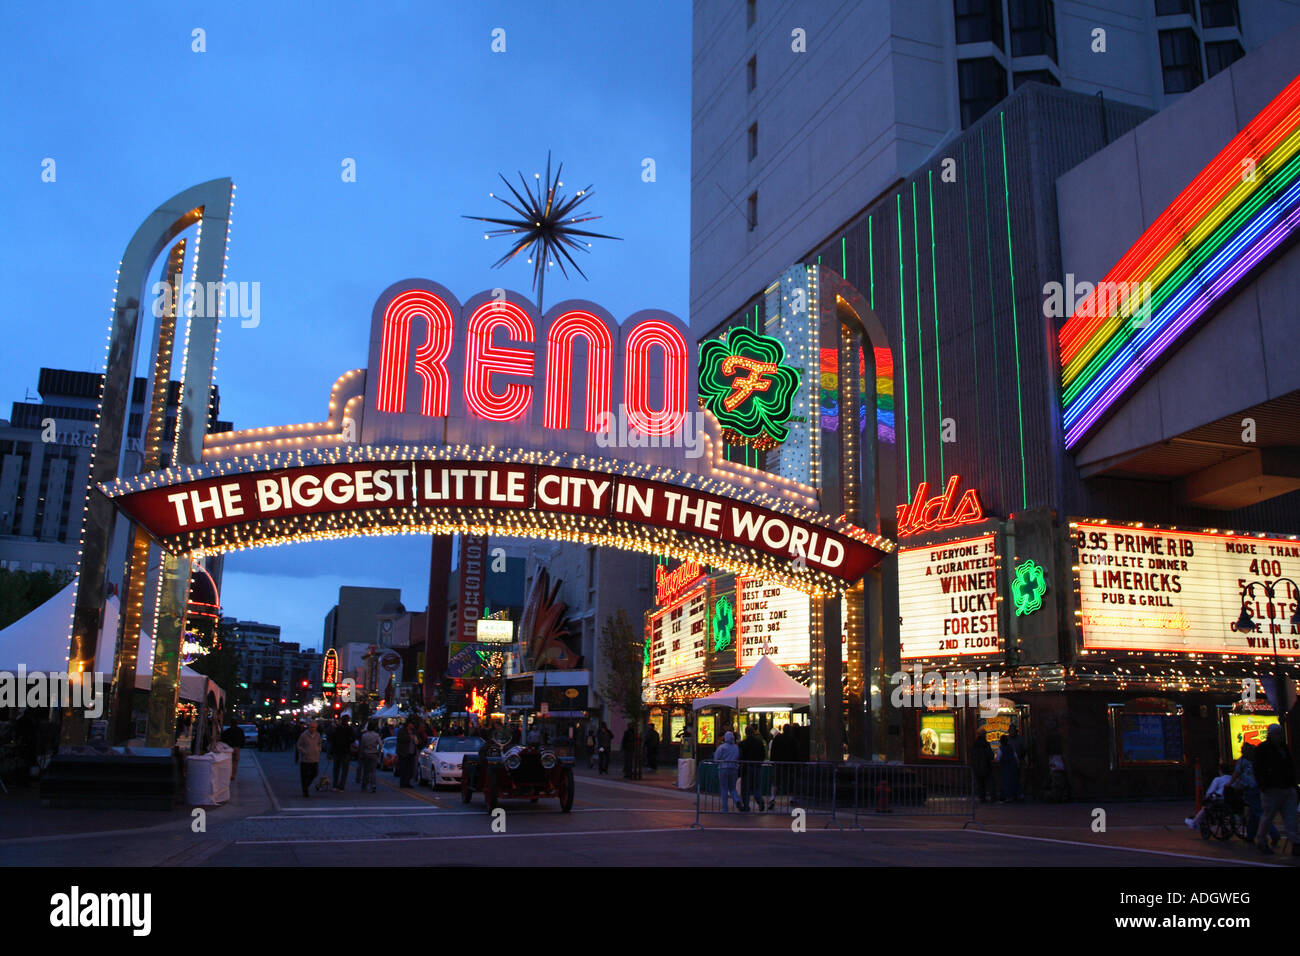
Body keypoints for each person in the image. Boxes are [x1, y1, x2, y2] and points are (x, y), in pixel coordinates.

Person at [1252, 723, 1299, 855]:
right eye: (1277, 733)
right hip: (1271, 789)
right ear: (1270, 735)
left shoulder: (1283, 747)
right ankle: (1261, 840)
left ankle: (1295, 842)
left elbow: (1290, 766)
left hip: (1286, 787)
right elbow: (1258, 768)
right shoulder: (1263, 749)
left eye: (1280, 733)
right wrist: (1264, 784)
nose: (1279, 736)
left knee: (1291, 817)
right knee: (1268, 816)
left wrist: (1293, 784)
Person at [1230, 741, 1278, 846]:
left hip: (1249, 788)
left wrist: (1229, 783)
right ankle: (1251, 835)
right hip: (1260, 787)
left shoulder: (1242, 761)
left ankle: (1274, 833)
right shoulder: (1258, 760)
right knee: (1254, 812)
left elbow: (1236, 773)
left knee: (1259, 812)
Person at [1185, 764, 1234, 829]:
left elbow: (1210, 791)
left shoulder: (1218, 779)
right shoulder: (1233, 779)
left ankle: (1194, 823)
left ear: (1220, 771)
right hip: (1232, 800)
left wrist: (1206, 797)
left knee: (1205, 807)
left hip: (1220, 800)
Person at [739, 723, 767, 811]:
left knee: (745, 788)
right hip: (757, 766)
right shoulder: (759, 743)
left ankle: (746, 806)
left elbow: (740, 756)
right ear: (753, 732)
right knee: (756, 787)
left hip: (746, 768)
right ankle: (759, 801)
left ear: (746, 733)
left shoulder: (743, 743)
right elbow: (763, 754)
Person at [715, 730, 742, 812]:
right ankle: (737, 800)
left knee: (724, 788)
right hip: (733, 768)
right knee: (732, 787)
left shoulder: (722, 747)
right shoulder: (736, 747)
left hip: (723, 768)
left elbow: (716, 758)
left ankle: (724, 807)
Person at [296, 721, 322, 798]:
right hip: (305, 759)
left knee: (315, 773)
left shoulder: (317, 735)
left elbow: (319, 743)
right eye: (312, 727)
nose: (313, 729)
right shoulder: (304, 735)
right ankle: (305, 791)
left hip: (315, 758)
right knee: (304, 775)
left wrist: (318, 749)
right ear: (308, 727)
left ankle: (307, 784)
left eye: (314, 727)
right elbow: (299, 745)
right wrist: (304, 751)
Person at [329, 715, 354, 791]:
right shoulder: (349, 729)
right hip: (345, 751)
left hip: (337, 751)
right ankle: (341, 786)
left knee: (336, 768)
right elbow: (352, 739)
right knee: (344, 770)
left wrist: (331, 752)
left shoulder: (337, 729)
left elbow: (332, 740)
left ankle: (335, 785)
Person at [970, 733, 994, 803]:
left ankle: (982, 798)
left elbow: (972, 756)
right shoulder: (986, 745)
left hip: (977, 767)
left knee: (980, 784)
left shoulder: (975, 745)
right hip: (986, 766)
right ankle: (992, 798)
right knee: (990, 783)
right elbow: (991, 755)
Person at [359, 721, 381, 793]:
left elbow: (362, 746)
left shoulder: (364, 735)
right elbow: (380, 744)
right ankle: (373, 785)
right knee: (373, 771)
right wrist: (378, 751)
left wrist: (361, 754)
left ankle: (364, 785)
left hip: (366, 753)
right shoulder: (376, 735)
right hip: (374, 753)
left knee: (366, 771)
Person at [396, 717, 418, 788]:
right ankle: (403, 783)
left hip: (412, 752)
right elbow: (400, 739)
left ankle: (407, 782)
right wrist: (409, 737)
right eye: (412, 724)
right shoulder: (402, 730)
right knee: (404, 768)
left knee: (410, 769)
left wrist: (416, 740)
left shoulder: (413, 731)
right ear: (409, 724)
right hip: (404, 752)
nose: (413, 726)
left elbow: (417, 739)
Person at [997, 735, 1019, 803]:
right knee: (1012, 781)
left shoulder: (1001, 748)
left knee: (1006, 782)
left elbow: (998, 758)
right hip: (1012, 766)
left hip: (1005, 767)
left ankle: (1007, 796)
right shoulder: (1011, 748)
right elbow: (1015, 756)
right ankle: (1013, 795)